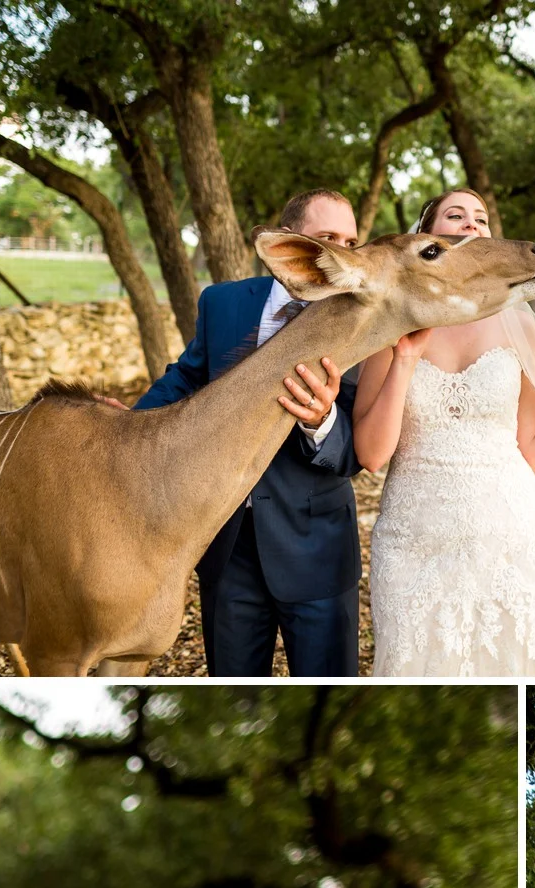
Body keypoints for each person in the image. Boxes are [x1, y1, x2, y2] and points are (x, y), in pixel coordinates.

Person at [352, 187, 535, 677]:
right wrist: (404, 359)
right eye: (456, 215)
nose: (471, 224)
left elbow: (533, 447)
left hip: (512, 536)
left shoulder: (519, 326)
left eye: (480, 217)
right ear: (425, 238)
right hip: (414, 542)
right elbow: (371, 454)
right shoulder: (391, 323)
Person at [132, 188, 367, 677]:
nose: (341, 254)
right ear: (289, 242)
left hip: (316, 549)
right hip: (225, 543)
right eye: (328, 238)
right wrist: (126, 428)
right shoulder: (222, 303)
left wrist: (321, 420)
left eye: (350, 242)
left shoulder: (361, 319)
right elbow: (186, 379)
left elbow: (356, 452)